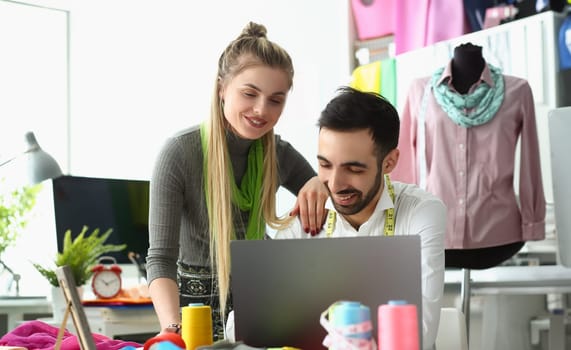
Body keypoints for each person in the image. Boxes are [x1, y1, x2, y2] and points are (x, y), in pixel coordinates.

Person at [146, 21, 328, 340]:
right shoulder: (179, 153)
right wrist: (171, 329)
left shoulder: (279, 153)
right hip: (194, 318)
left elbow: (330, 196)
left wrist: (319, 182)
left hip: (262, 307)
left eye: (276, 99)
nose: (261, 110)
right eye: (249, 93)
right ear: (221, 88)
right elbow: (160, 258)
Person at [273, 86, 447, 350]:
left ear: (389, 163)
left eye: (353, 169)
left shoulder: (421, 213)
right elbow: (255, 325)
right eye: (325, 165)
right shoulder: (302, 219)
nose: (335, 183)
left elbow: (419, 334)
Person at [391, 42, 545, 269]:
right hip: (434, 232)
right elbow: (403, 163)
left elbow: (530, 162)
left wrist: (532, 221)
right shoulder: (421, 91)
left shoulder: (517, 91)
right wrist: (400, 222)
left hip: (498, 234)